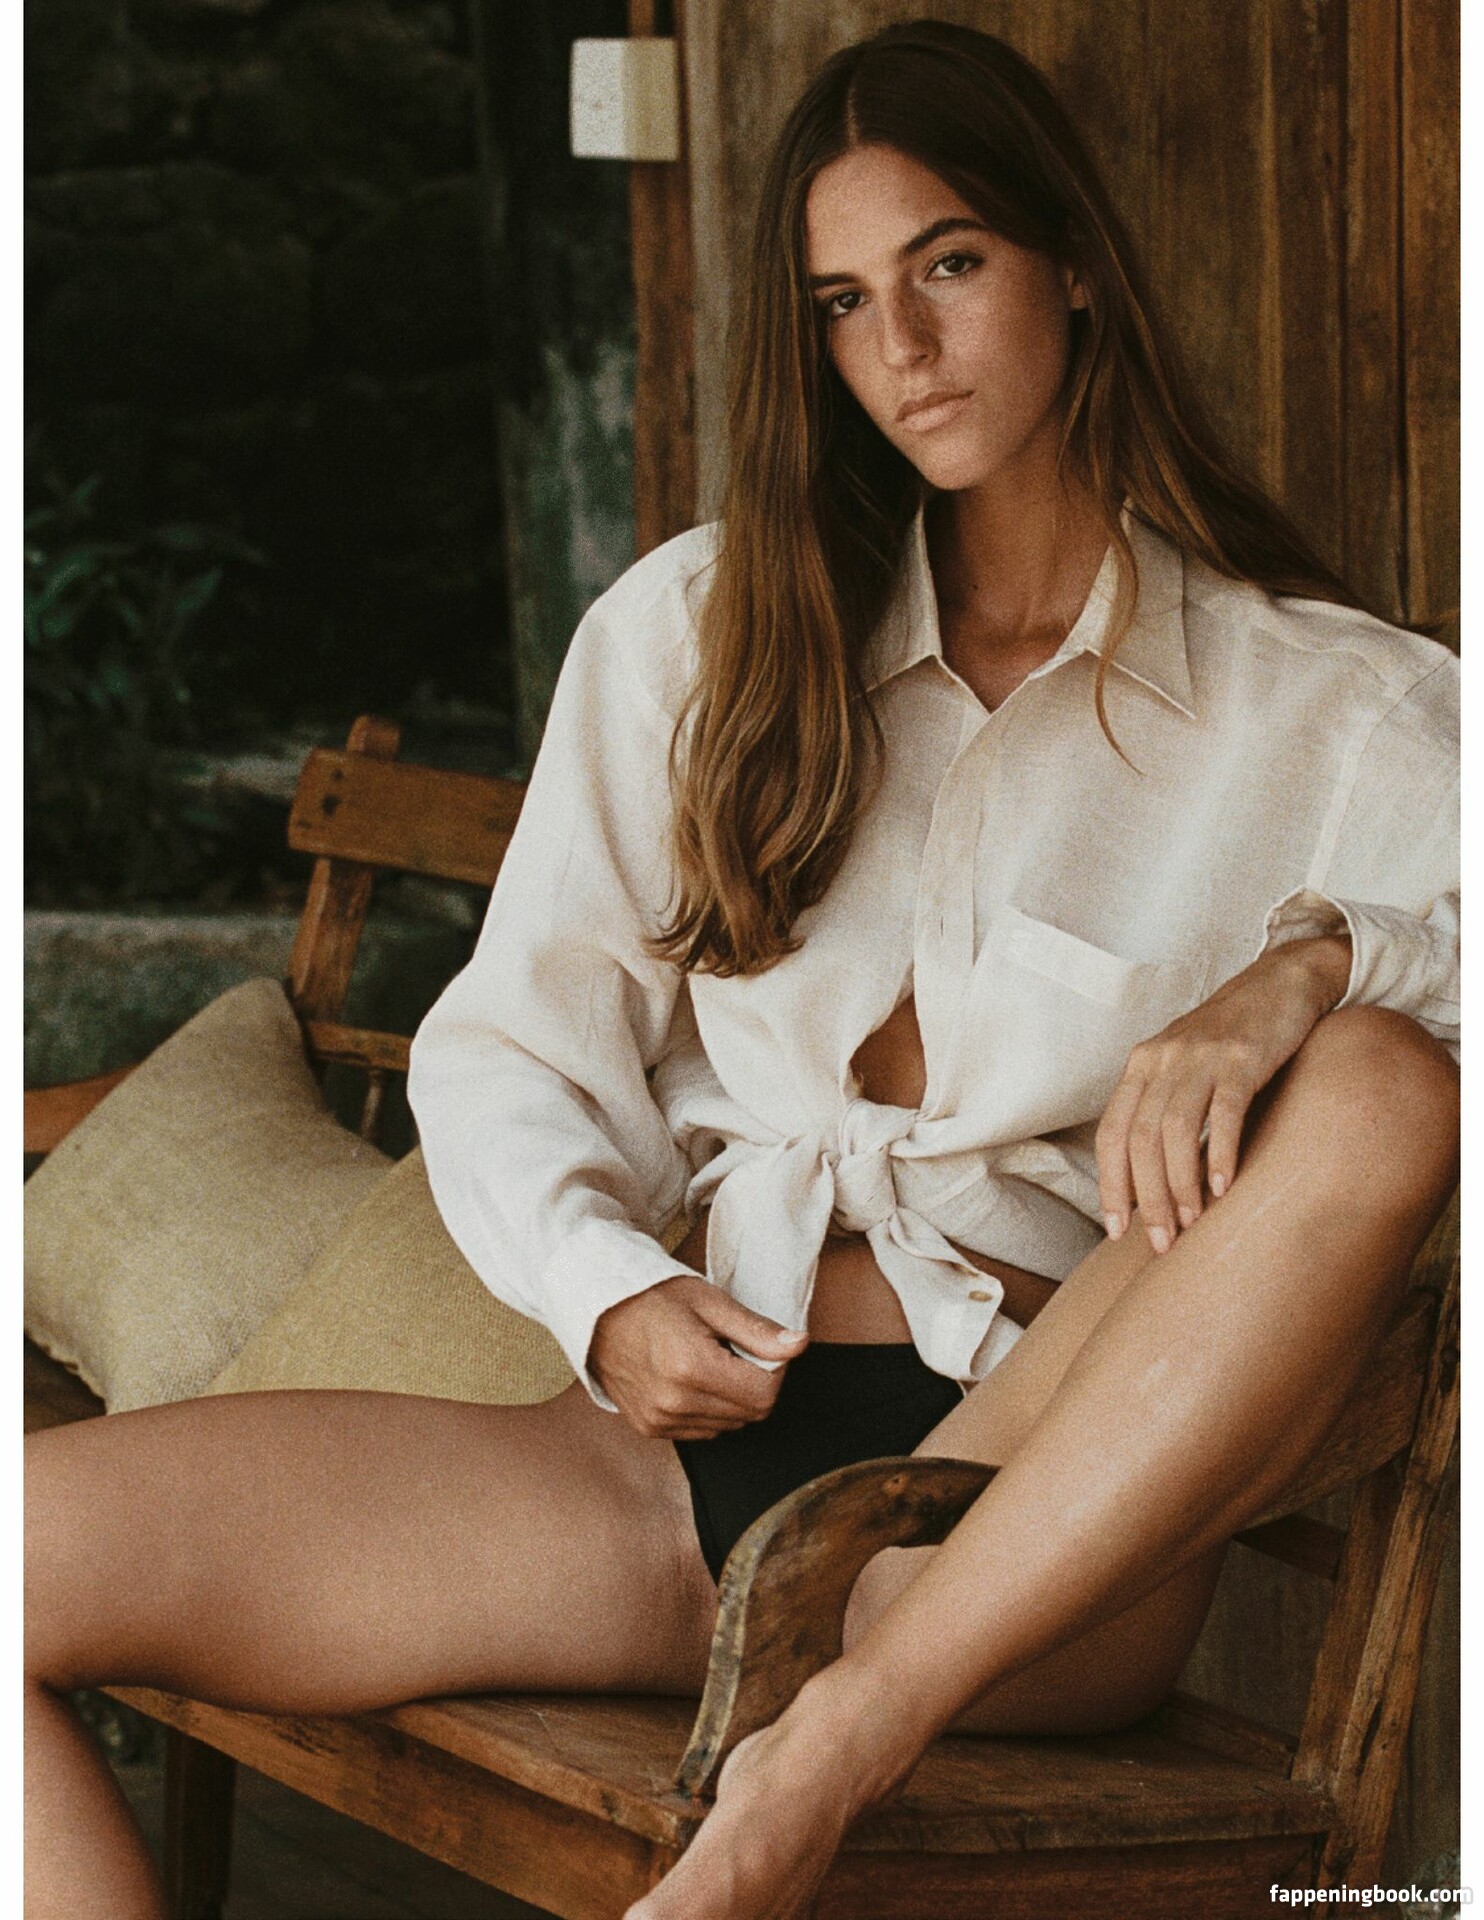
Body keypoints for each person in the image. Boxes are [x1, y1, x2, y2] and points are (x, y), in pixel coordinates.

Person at [24, 21, 1457, 1920]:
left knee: (1380, 1076)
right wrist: (607, 1291)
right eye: (844, 302)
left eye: (951, 263)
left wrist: (1305, 970)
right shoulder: (705, 633)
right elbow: (510, 1045)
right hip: (666, 1473)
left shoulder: (1332, 711)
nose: (904, 347)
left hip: (1003, 1504)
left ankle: (837, 1742)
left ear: (1076, 266)